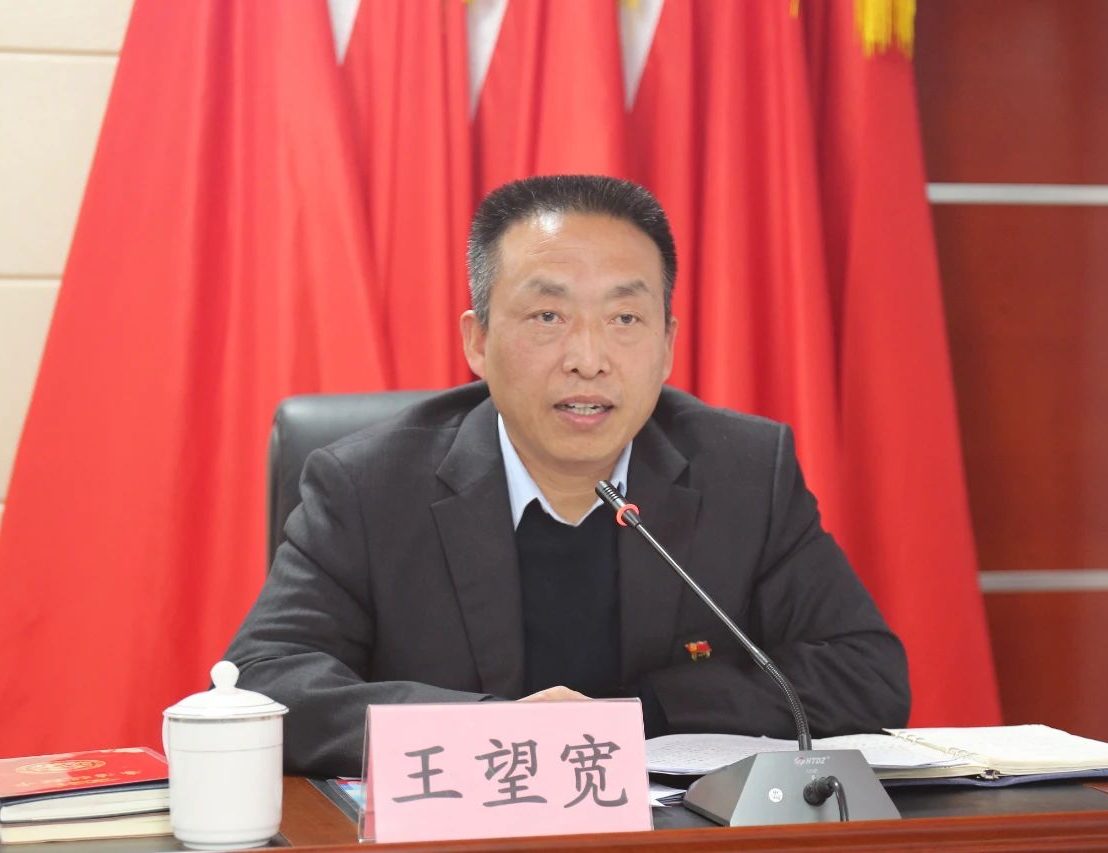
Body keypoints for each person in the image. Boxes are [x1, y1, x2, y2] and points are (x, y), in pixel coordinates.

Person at [225, 175, 909, 778]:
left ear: (667, 346)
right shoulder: (368, 485)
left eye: (624, 318)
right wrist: (499, 730)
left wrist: (639, 712)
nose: (588, 358)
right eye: (548, 316)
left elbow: (866, 673)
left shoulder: (745, 472)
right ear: (478, 341)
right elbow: (264, 683)